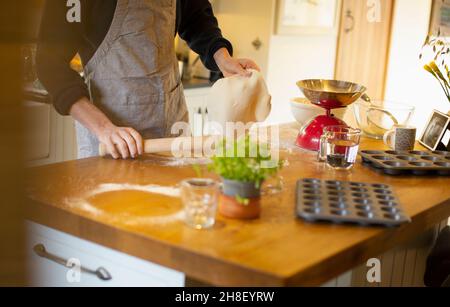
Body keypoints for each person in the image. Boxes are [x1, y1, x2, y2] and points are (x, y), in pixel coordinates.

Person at [37, 0, 260, 159]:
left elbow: (196, 17)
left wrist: (223, 58)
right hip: (110, 143)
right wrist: (104, 128)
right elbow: (49, 63)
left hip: (172, 134)